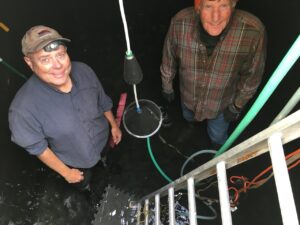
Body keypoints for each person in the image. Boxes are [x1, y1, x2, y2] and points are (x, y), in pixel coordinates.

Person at [8, 25, 122, 191]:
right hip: (77, 161)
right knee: (85, 184)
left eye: (60, 55)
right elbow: (38, 148)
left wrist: (113, 126)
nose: (58, 65)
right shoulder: (22, 111)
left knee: (106, 162)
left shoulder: (84, 71)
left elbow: (103, 101)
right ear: (29, 62)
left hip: (102, 139)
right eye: (45, 59)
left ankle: (103, 164)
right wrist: (67, 173)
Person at [160, 0, 266, 149]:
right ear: (198, 7)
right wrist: (167, 86)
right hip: (189, 96)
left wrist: (236, 106)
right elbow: (168, 58)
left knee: (218, 136)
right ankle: (191, 127)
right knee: (188, 116)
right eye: (208, 6)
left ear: (233, 5)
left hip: (221, 105)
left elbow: (252, 76)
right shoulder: (180, 23)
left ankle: (217, 152)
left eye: (223, 5)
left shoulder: (253, 31)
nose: (215, 17)